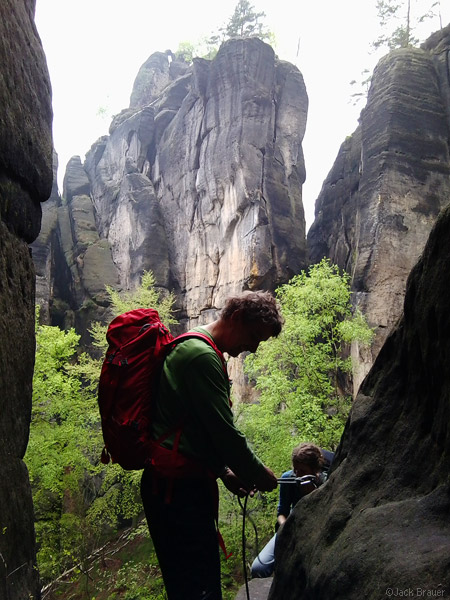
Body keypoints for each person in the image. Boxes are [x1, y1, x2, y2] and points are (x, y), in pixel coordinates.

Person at [140, 290, 283, 600]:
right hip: (178, 493)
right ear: (234, 318)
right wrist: (259, 474)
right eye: (254, 336)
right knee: (198, 589)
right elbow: (224, 433)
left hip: (174, 485)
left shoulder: (196, 345)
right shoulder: (201, 356)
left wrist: (222, 471)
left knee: (189, 585)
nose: (254, 348)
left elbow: (193, 427)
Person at [251, 443, 334, 579]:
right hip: (291, 526)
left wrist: (314, 494)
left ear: (315, 470)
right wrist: (285, 527)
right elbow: (282, 512)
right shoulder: (288, 478)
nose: (297, 474)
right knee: (258, 568)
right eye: (295, 469)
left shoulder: (326, 483)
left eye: (302, 470)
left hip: (316, 530)